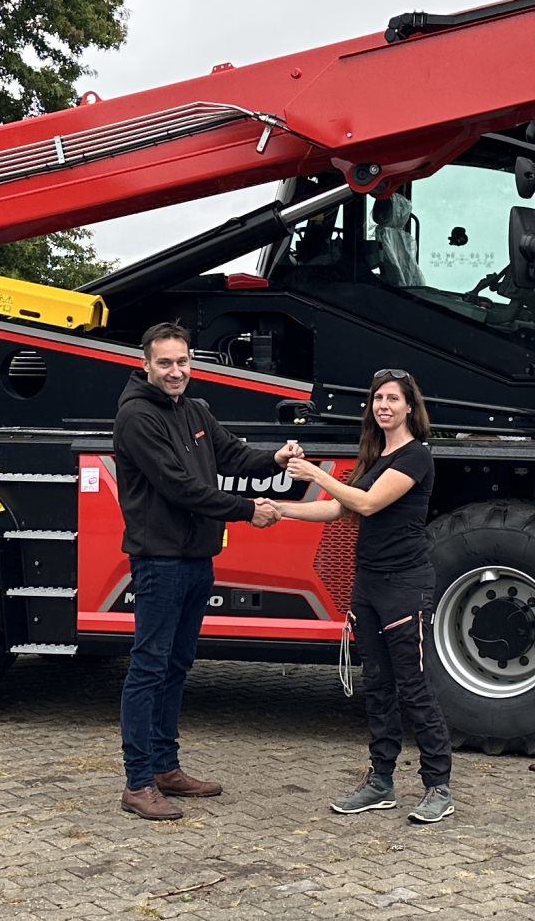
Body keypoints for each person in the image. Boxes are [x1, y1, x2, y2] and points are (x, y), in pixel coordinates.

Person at [111, 321, 300, 821]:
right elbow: (177, 487)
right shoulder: (136, 417)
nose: (176, 372)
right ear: (146, 364)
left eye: (183, 362)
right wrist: (245, 510)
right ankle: (137, 783)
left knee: (176, 665)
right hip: (159, 561)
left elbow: (232, 454)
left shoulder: (194, 410)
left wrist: (275, 458)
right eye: (166, 363)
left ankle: (165, 767)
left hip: (196, 559)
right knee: (149, 667)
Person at [268, 368, 453, 823]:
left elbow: (367, 504)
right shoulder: (375, 459)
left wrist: (313, 471)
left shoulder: (416, 457)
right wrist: (279, 510)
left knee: (414, 685)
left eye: (393, 399)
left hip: (404, 583)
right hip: (368, 583)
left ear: (411, 406)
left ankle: (438, 787)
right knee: (377, 684)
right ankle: (380, 782)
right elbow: (337, 508)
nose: (384, 406)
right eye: (377, 399)